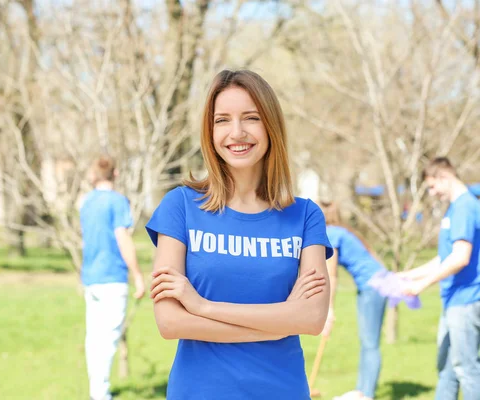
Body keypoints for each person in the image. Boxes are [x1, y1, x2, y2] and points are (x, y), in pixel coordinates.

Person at [145, 69, 333, 400]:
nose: (237, 132)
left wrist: (201, 307)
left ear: (270, 126)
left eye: (251, 118)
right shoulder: (181, 207)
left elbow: (313, 318)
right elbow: (170, 323)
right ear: (209, 130)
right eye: (222, 120)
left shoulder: (305, 216)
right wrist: (280, 322)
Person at [400, 157, 480, 400]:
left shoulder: (465, 206)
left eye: (433, 186)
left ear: (445, 177)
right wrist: (407, 276)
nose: (432, 193)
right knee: (447, 369)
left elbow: (460, 257)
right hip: (453, 300)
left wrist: (422, 285)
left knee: (466, 369)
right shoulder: (455, 208)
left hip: (466, 300)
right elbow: (444, 257)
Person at [79, 155, 146, 400]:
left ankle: (96, 389)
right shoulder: (118, 202)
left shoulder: (86, 203)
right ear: (115, 175)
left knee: (94, 337)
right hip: (112, 277)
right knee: (108, 339)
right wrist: (138, 275)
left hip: (91, 277)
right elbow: (123, 238)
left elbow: (86, 240)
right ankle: (101, 393)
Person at [319, 202, 387, 400]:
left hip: (372, 287)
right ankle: (362, 391)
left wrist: (328, 310)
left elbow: (331, 275)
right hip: (375, 285)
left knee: (370, 343)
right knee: (368, 342)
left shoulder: (331, 234)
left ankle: (366, 395)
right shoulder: (342, 231)